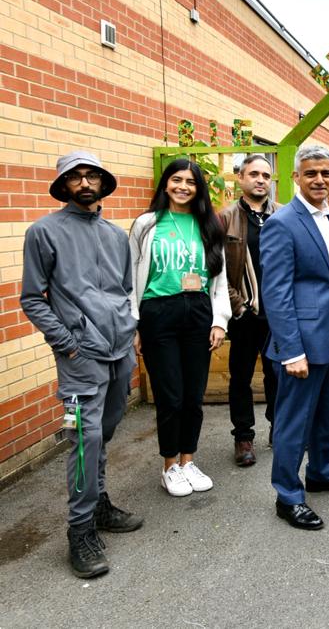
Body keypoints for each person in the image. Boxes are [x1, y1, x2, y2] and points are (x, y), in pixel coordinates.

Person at [21, 151, 144, 578]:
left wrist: (131, 336)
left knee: (105, 431)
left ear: (103, 182)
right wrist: (68, 345)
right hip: (79, 359)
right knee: (83, 439)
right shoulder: (44, 232)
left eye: (92, 175)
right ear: (63, 185)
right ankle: (80, 530)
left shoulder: (114, 235)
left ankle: (100, 504)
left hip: (119, 352)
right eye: (76, 177)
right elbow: (32, 299)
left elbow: (125, 291)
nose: (85, 182)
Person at [261, 145, 329, 531]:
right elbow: (276, 292)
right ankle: (288, 495)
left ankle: (321, 471)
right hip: (299, 345)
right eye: (311, 173)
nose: (319, 179)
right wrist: (291, 351)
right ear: (295, 178)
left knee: (326, 413)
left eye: (326, 173)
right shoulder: (282, 223)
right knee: (293, 423)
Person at [129, 159, 230, 498]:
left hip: (198, 312)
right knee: (170, 397)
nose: (183, 186)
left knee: (193, 396)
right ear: (166, 184)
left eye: (191, 181)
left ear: (199, 187)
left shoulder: (208, 225)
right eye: (177, 180)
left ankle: (188, 461)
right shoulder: (147, 224)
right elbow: (130, 279)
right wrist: (135, 326)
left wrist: (219, 321)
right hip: (158, 312)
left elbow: (219, 280)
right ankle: (169, 466)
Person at [219, 154, 280, 466]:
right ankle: (243, 437)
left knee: (277, 374)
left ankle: (278, 428)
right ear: (240, 179)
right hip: (243, 312)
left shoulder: (282, 215)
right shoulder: (226, 217)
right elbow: (215, 269)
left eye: (266, 176)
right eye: (254, 174)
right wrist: (238, 306)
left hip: (278, 311)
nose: (260, 180)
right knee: (241, 377)